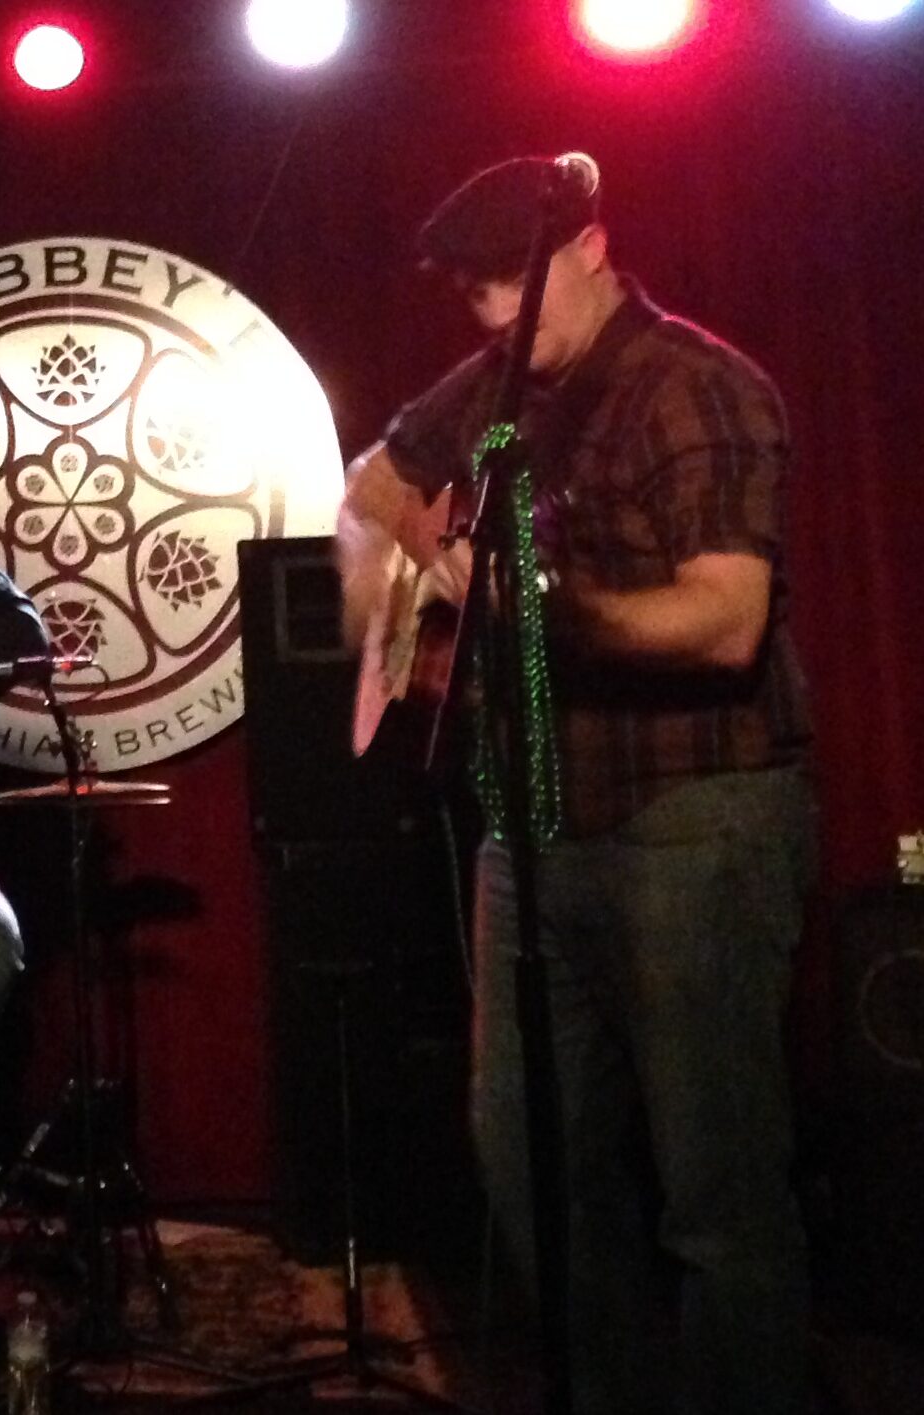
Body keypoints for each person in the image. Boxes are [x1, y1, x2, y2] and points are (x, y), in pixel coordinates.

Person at [335, 158, 816, 1415]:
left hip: (695, 816)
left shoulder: (697, 386)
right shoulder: (502, 382)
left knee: (715, 1190)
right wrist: (407, 585)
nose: (499, 315)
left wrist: (536, 608)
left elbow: (725, 622)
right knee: (528, 1161)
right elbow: (375, 483)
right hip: (535, 825)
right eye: (478, 292)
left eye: (518, 283)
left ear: (592, 250)